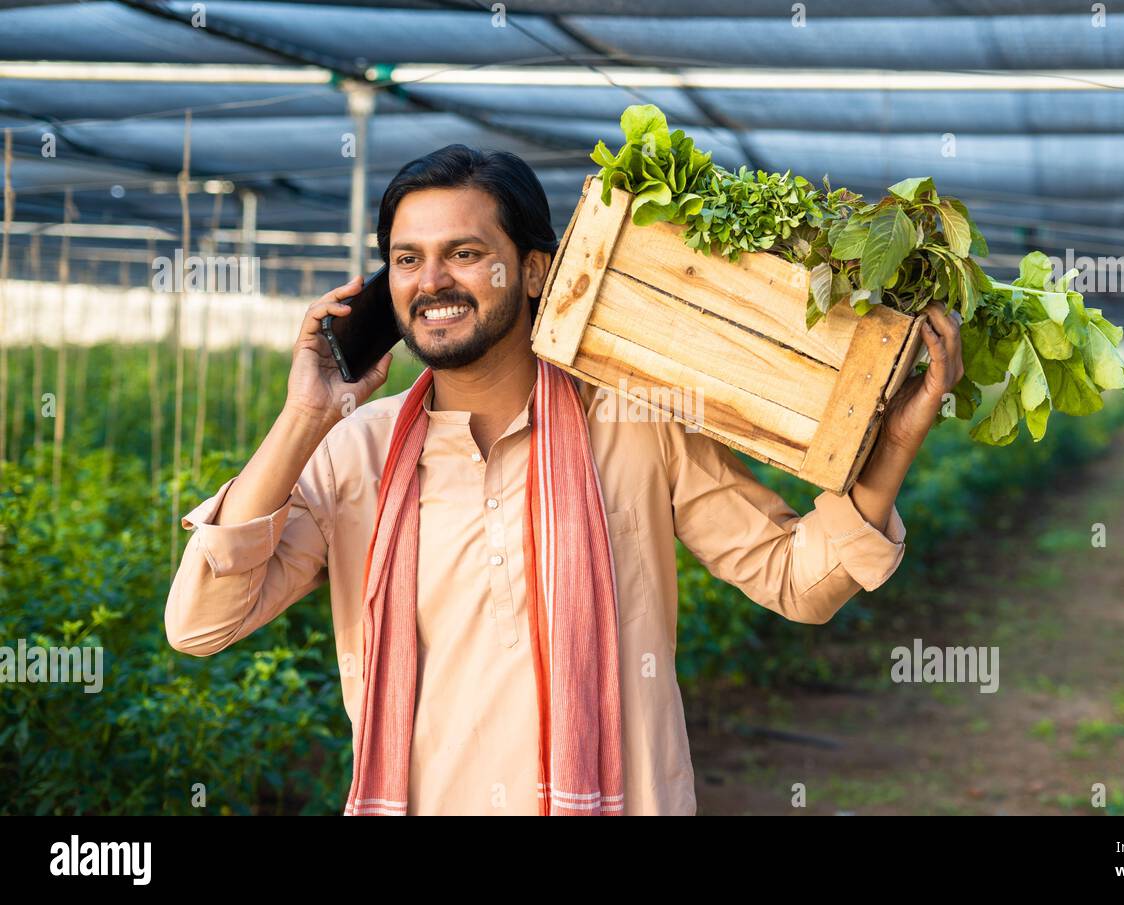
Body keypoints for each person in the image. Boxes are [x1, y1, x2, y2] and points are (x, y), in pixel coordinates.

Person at [164, 144, 964, 816]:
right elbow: (200, 622)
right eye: (407, 260)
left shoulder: (637, 423)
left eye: (466, 253)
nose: (431, 281)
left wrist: (890, 444)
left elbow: (794, 579)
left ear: (538, 270)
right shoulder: (353, 456)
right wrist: (308, 413)